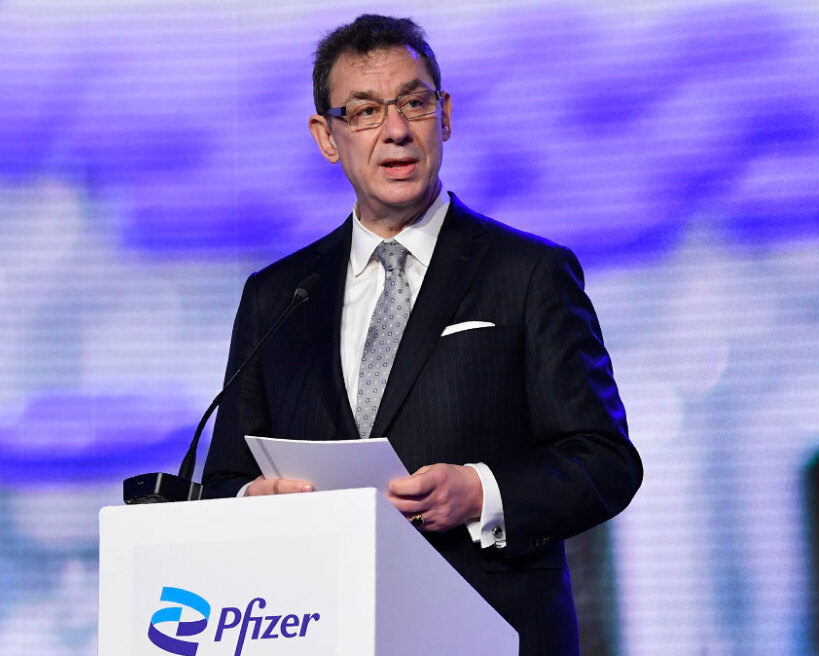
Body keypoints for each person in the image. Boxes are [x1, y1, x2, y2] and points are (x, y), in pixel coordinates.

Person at [201, 14, 642, 655]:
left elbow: (605, 461)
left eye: (415, 102)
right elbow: (224, 479)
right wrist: (252, 498)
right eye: (365, 112)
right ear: (326, 137)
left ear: (446, 115)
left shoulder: (529, 273)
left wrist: (480, 492)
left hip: (491, 631)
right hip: (322, 629)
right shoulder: (277, 296)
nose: (397, 130)